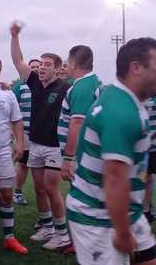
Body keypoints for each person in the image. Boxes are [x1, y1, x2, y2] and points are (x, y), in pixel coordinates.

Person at [67, 38, 156, 265]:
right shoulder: (121, 111)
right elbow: (115, 179)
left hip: (125, 212)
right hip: (99, 218)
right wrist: (123, 233)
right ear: (135, 67)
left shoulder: (125, 99)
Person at [10, 22, 71, 250]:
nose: (42, 68)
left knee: (51, 187)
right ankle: (47, 226)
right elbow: (18, 61)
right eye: (41, 64)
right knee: (38, 187)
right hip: (35, 144)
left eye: (47, 65)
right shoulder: (34, 82)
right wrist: (14, 36)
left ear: (57, 69)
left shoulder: (65, 88)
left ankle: (62, 232)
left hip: (55, 146)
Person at [0, 57, 28, 256]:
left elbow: (17, 121)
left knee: (6, 194)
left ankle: (9, 237)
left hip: (1, 151)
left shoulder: (7, 95)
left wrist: (19, 143)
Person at [59, 45, 101, 181]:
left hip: (82, 154)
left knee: (83, 197)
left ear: (74, 64)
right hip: (88, 152)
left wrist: (68, 157)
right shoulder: (91, 82)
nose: (66, 65)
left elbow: (77, 123)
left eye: (68, 61)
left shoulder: (82, 86)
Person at [12, 59, 40, 205]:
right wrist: (14, 133)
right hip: (25, 133)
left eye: (37, 66)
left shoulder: (46, 86)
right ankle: (17, 193)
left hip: (42, 135)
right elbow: (12, 109)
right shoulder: (20, 87)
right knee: (23, 164)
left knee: (40, 166)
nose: (35, 69)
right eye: (32, 67)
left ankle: (42, 195)